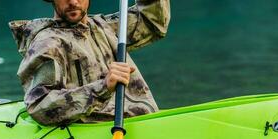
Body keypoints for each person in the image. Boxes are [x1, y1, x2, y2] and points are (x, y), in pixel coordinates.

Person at [9, 0, 170, 126]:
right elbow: (40, 106)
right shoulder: (48, 43)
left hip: (141, 122)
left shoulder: (103, 27)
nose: (73, 2)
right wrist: (103, 87)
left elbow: (152, 21)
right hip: (101, 131)